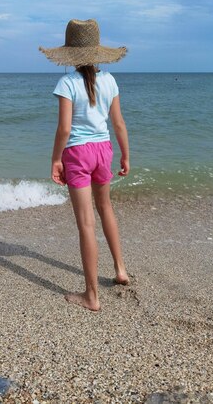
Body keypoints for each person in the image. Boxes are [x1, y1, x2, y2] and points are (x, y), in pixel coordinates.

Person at [39, 19, 130, 311]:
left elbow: (64, 130)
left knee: (86, 223)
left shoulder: (67, 83)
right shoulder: (110, 81)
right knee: (106, 209)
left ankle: (91, 296)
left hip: (78, 154)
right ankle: (120, 269)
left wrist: (55, 159)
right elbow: (118, 123)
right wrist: (126, 155)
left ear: (70, 54)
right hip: (104, 150)